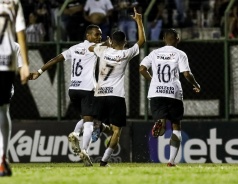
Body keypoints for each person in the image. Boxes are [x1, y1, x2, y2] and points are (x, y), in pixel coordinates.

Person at [29, 24, 103, 167]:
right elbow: (108, 46)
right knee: (89, 121)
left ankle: (75, 133)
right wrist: (109, 42)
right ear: (88, 36)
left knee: (87, 117)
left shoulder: (74, 48)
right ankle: (85, 150)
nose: (99, 37)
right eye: (96, 34)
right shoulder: (93, 48)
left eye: (100, 34)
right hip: (87, 89)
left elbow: (56, 59)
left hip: (73, 90)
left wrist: (39, 71)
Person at [90, 7, 145, 167]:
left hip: (100, 95)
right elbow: (141, 42)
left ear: (111, 42)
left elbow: (90, 48)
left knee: (106, 124)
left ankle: (99, 124)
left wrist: (104, 43)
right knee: (116, 131)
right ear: (125, 42)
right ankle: (104, 161)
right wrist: (139, 22)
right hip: (116, 96)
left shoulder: (103, 50)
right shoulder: (126, 54)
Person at [139, 28, 201, 167]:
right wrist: (196, 84)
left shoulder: (154, 53)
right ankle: (171, 161)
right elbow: (186, 74)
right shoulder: (180, 54)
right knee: (176, 126)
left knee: (161, 127)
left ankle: (160, 122)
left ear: (163, 39)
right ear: (177, 39)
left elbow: (142, 68)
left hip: (156, 92)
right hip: (173, 93)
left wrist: (153, 80)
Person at [0, 0, 30, 177]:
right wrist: (25, 63)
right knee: (2, 108)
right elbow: (21, 32)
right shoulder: (13, 2)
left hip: (6, 57)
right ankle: (2, 158)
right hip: (7, 57)